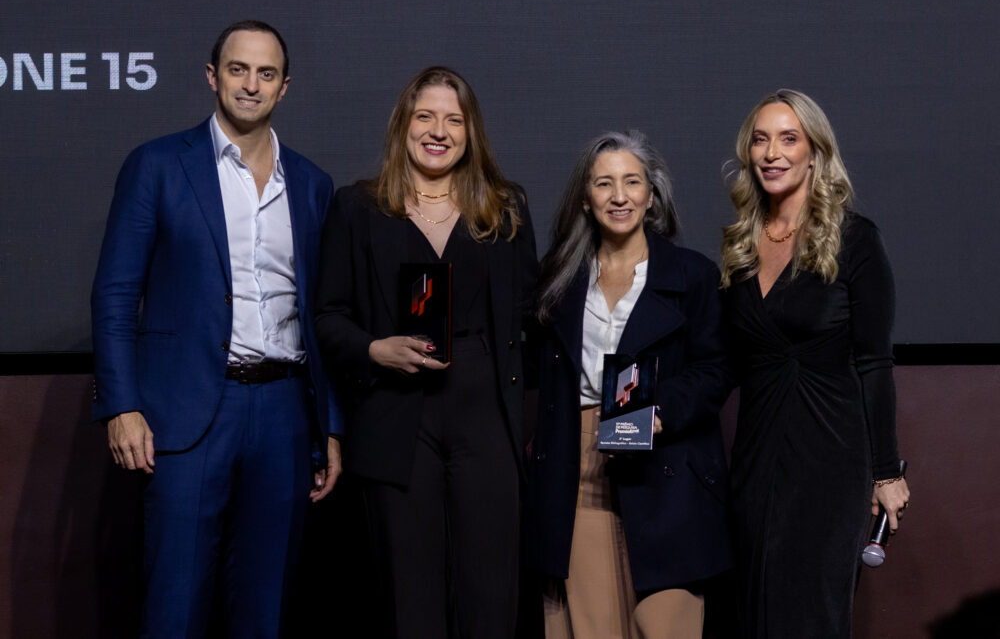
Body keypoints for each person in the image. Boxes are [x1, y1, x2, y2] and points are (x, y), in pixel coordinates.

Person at [90, 20, 342, 638]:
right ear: (212, 77)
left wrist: (329, 426)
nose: (251, 84)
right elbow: (116, 294)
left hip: (285, 412)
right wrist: (121, 405)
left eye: (266, 73)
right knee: (174, 605)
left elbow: (321, 316)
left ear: (284, 87)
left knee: (266, 608)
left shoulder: (312, 184)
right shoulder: (157, 165)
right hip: (187, 411)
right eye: (238, 69)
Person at [313, 66, 538, 639]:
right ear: (403, 126)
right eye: (425, 117)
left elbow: (530, 317)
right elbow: (327, 317)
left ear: (470, 131)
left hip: (486, 415)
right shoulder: (358, 208)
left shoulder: (505, 207)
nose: (438, 131)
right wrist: (374, 348)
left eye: (453, 120)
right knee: (409, 596)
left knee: (490, 592)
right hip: (395, 417)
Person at [524, 130, 733, 639]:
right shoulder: (559, 278)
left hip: (667, 468)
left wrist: (659, 412)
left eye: (632, 181)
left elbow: (716, 370)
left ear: (651, 195)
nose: (619, 196)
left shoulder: (693, 275)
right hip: (578, 467)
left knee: (665, 626)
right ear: (585, 199)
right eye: (604, 183)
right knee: (592, 626)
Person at [720, 89, 911, 638]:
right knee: (752, 615)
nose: (771, 153)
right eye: (760, 140)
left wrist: (886, 472)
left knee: (811, 617)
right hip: (755, 463)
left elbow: (875, 364)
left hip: (830, 466)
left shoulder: (856, 239)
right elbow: (727, 364)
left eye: (789, 138)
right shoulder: (740, 246)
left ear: (815, 153)